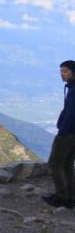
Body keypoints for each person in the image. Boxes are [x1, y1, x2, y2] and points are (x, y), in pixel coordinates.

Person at [45, 59, 75, 207]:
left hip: (68, 133)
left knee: (54, 163)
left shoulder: (74, 90)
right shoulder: (71, 87)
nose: (62, 75)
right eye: (61, 72)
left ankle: (61, 196)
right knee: (68, 163)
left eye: (65, 71)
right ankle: (71, 197)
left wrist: (62, 130)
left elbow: (71, 113)